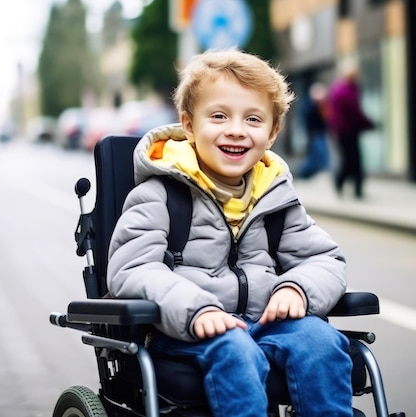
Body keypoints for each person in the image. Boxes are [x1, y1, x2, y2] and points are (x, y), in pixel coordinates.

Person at [106, 49, 353, 417]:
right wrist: (197, 309)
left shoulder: (276, 197)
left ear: (272, 133)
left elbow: (325, 259)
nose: (236, 129)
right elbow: (132, 270)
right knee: (236, 351)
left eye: (253, 119)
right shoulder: (159, 194)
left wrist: (295, 287)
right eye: (219, 116)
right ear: (189, 125)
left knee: (321, 342)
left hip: (266, 324)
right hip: (185, 330)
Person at [326, 58, 375, 199]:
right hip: (345, 130)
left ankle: (351, 186)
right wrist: (368, 124)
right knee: (352, 160)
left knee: (352, 160)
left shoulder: (348, 89)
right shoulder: (344, 91)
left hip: (347, 130)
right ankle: (343, 183)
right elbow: (355, 111)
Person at [298, 82, 330, 179]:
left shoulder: (318, 106)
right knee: (318, 154)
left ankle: (308, 172)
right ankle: (304, 172)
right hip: (315, 134)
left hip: (318, 133)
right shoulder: (311, 107)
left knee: (318, 155)